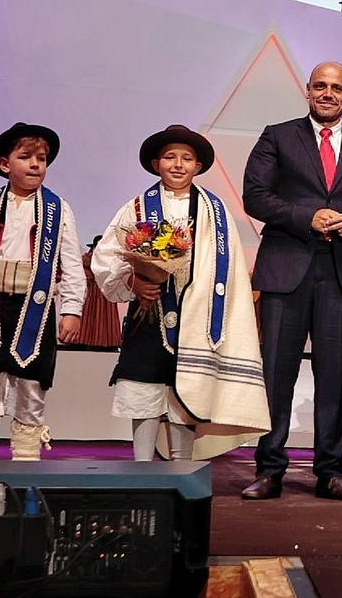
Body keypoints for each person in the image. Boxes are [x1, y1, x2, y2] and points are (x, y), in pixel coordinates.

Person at [241, 62, 342, 501]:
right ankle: (269, 469)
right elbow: (256, 195)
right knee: (277, 375)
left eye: (337, 88)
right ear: (307, 91)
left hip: (340, 273)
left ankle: (331, 472)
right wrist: (305, 217)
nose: (328, 93)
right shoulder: (278, 135)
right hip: (286, 268)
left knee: (332, 378)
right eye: (320, 86)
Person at [92, 125, 270, 463]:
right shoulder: (136, 208)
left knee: (186, 395)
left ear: (198, 166)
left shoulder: (215, 213)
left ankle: (181, 470)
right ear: (156, 163)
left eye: (187, 158)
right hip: (148, 318)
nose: (178, 164)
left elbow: (229, 270)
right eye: (170, 157)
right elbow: (107, 256)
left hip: (197, 322)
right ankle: (142, 469)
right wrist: (133, 282)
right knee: (144, 393)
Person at [0, 122, 85, 493]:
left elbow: (71, 262)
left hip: (35, 310)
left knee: (29, 387)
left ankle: (26, 469)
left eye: (42, 158)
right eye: (26, 157)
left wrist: (72, 309)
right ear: (5, 164)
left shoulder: (59, 209)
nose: (36, 164)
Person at [78, 235, 122, 348]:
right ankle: (82, 340)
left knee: (106, 317)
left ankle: (106, 341)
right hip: (91, 292)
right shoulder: (86, 260)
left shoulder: (110, 261)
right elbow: (83, 274)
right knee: (88, 315)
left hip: (105, 292)